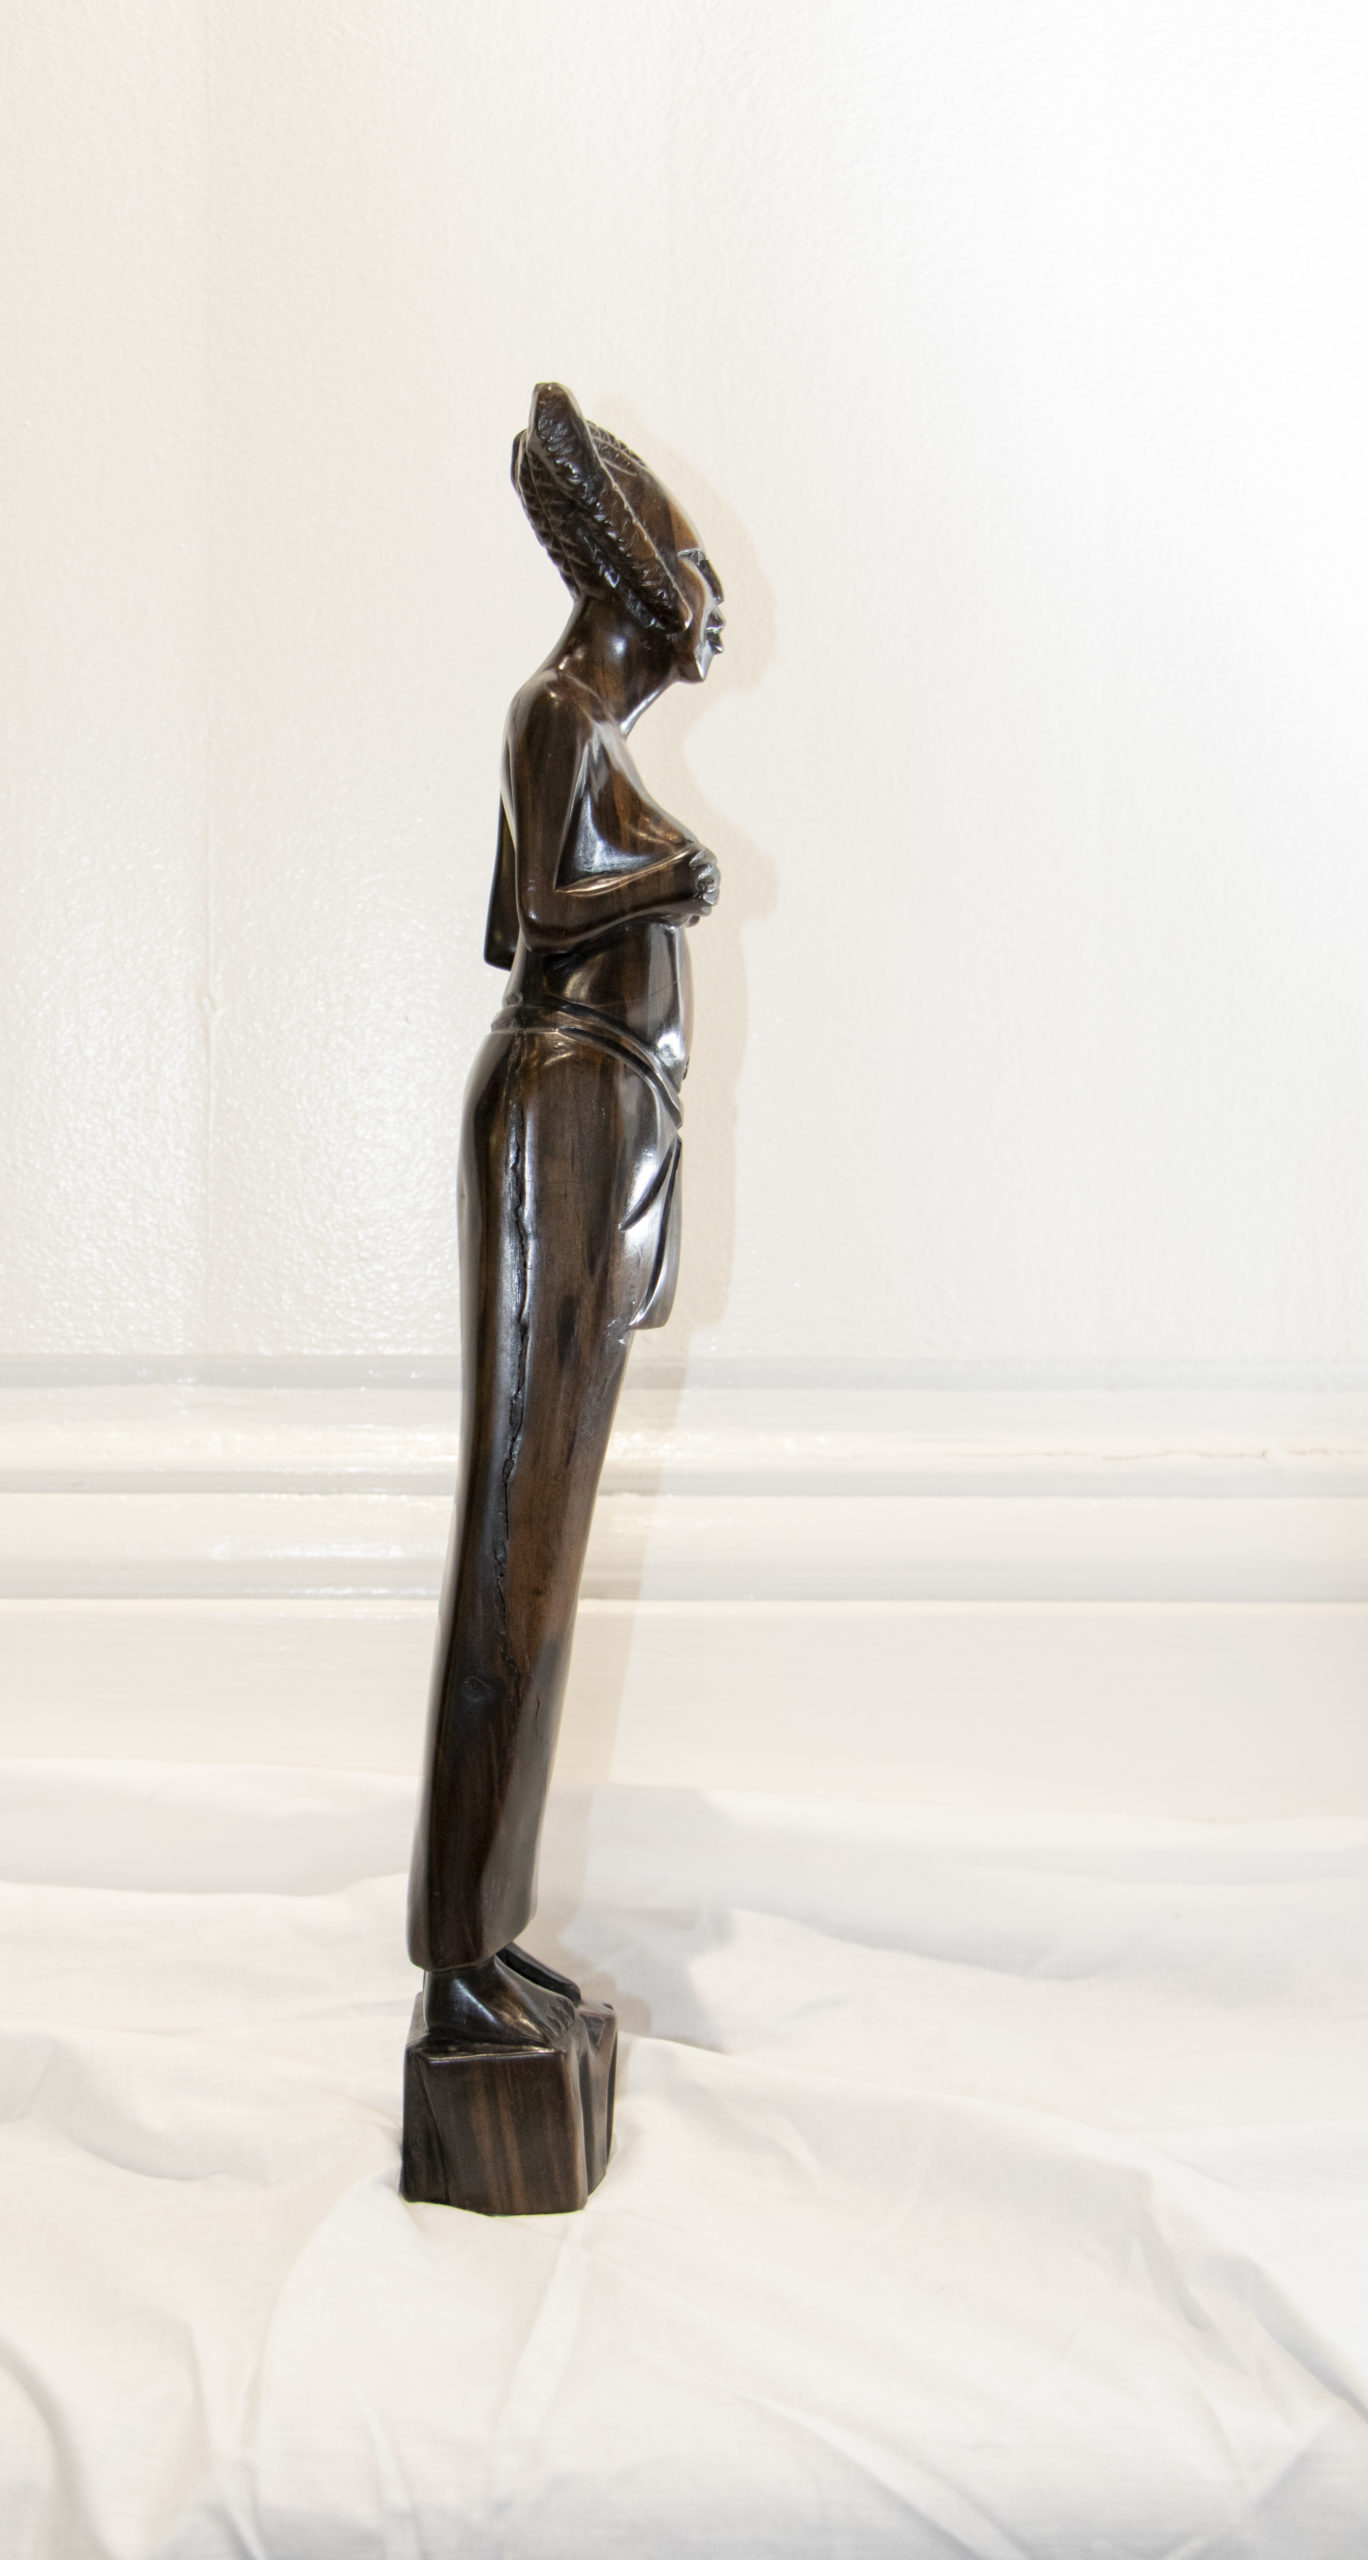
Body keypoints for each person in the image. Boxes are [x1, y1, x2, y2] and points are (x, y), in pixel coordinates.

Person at [406, 383, 724, 2050]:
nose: (699, 635)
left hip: (599, 1121)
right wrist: (673, 878)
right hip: (557, 1112)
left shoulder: (586, 736)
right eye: (684, 605)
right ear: (628, 600)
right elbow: (538, 911)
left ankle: (492, 1934)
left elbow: (520, 912)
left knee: (548, 1548)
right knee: (512, 1545)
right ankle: (455, 1957)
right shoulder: (553, 716)